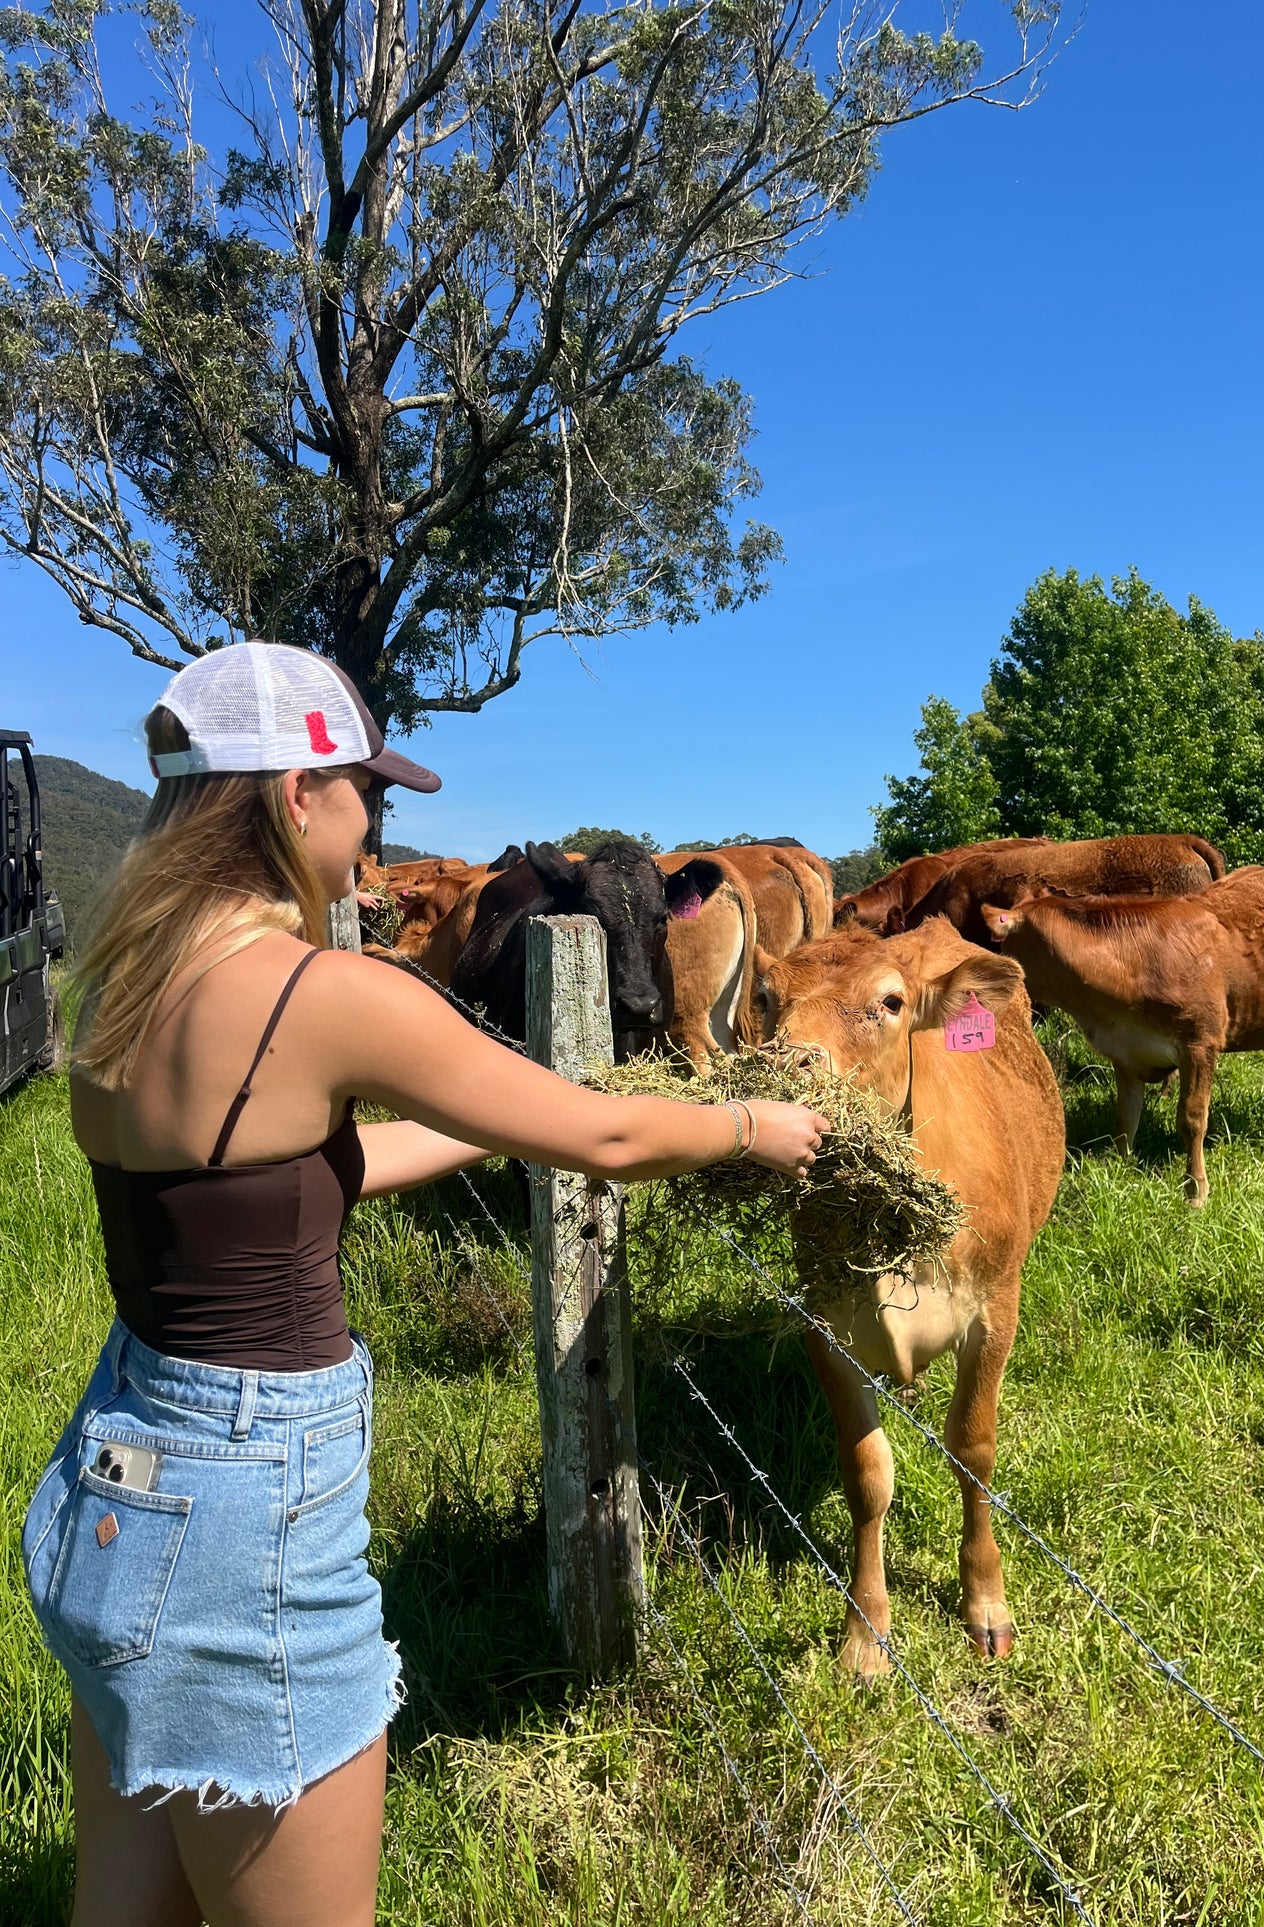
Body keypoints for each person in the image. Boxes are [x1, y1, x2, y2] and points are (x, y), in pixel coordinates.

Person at [20, 642, 828, 1927]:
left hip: (121, 1476)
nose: (372, 831)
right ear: (296, 795)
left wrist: (496, 1124)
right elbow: (609, 1137)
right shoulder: (322, 991)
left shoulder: (118, 982)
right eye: (365, 797)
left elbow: (273, 1186)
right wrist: (744, 1128)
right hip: (247, 1524)